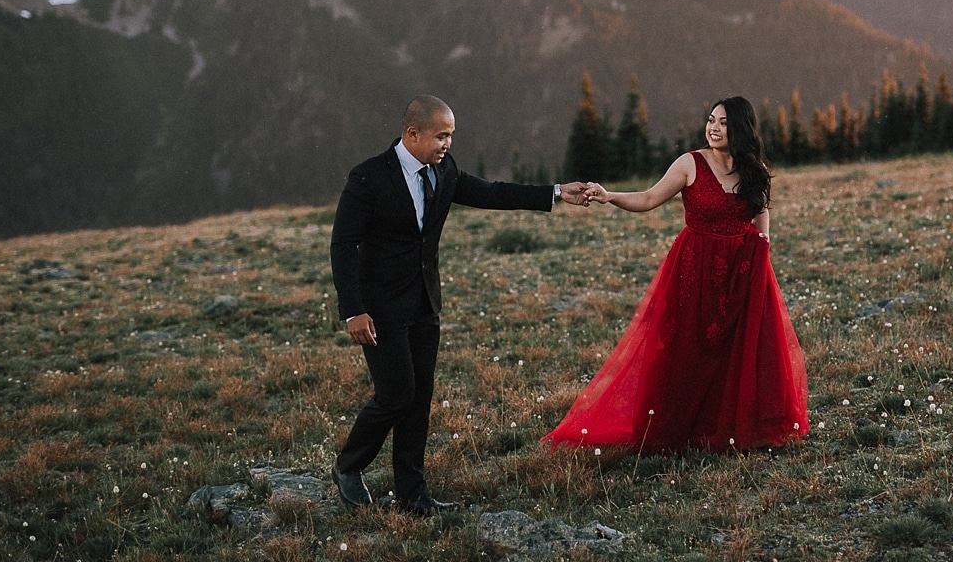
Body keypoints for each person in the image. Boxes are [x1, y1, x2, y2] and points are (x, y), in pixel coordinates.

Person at [331, 95, 594, 515]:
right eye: (441, 136)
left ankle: (412, 495)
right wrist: (353, 309)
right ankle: (349, 465)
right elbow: (343, 245)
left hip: (424, 303)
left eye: (451, 136)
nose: (447, 144)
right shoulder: (367, 178)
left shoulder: (444, 171)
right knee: (396, 392)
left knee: (419, 398)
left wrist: (559, 192)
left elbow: (491, 192)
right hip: (379, 308)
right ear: (412, 134)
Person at [546, 96, 808, 452]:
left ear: (742, 129)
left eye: (723, 123)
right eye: (711, 120)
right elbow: (650, 198)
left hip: (742, 267)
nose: (713, 128)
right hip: (694, 267)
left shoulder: (752, 167)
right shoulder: (690, 164)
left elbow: (761, 219)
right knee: (687, 345)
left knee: (738, 347)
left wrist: (759, 259)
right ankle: (677, 428)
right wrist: (610, 197)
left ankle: (725, 426)